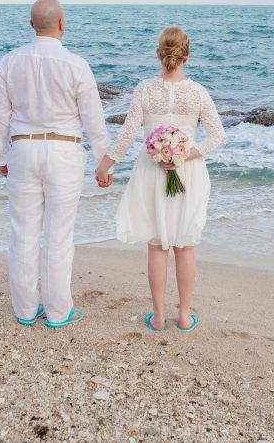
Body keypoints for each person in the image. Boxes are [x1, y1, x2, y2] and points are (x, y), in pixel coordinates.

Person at [95, 26, 227, 333]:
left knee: (157, 245)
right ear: (187, 57)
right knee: (185, 246)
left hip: (152, 170)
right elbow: (219, 137)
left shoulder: (144, 89)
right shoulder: (197, 92)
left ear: (158, 54)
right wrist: (185, 154)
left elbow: (128, 134)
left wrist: (105, 165)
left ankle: (157, 316)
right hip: (187, 171)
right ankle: (183, 315)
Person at [0, 0, 111, 328]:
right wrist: (104, 161)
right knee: (58, 234)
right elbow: (94, 120)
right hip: (64, 152)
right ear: (62, 24)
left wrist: (1, 155)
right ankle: (58, 312)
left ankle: (26, 310)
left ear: (31, 25)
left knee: (23, 232)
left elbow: (0, 116)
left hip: (23, 149)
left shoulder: (9, 62)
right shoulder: (77, 65)